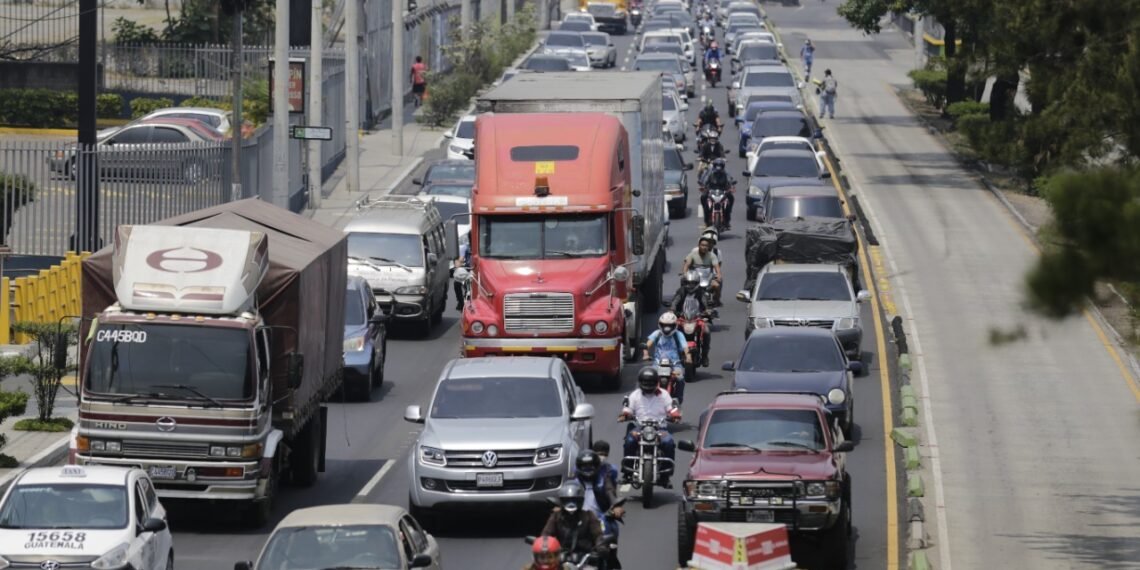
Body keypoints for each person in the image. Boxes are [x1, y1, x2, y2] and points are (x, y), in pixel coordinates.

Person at [620, 367, 682, 486]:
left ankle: (665, 475)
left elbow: (672, 408)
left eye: (651, 382)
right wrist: (625, 415)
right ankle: (627, 472)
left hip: (659, 428)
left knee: (668, 442)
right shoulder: (635, 395)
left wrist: (675, 415)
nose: (648, 385)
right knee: (629, 441)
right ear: (640, 382)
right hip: (639, 427)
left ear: (656, 382)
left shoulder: (664, 395)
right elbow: (628, 409)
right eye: (645, 382)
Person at [574, 450, 624, 569]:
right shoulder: (574, 483)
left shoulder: (604, 480)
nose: (587, 469)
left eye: (590, 466)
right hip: (578, 519)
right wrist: (559, 506)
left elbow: (610, 491)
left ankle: (610, 562)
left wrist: (616, 506)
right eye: (584, 466)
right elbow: (565, 496)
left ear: (596, 466)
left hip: (601, 518)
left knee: (610, 539)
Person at [540, 481, 609, 564]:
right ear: (562, 501)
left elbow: (598, 535)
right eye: (567, 500)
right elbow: (546, 535)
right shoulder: (556, 517)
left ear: (580, 501)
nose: (571, 504)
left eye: (574, 500)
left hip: (585, 558)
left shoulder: (589, 516)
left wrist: (601, 547)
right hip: (561, 557)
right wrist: (543, 545)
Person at [641, 312, 690, 402]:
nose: (667, 328)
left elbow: (685, 347)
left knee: (680, 379)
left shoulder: (678, 335)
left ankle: (678, 399)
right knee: (647, 377)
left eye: (670, 325)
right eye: (664, 325)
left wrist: (688, 357)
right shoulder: (657, 333)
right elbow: (647, 345)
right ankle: (645, 399)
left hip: (675, 364)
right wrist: (646, 354)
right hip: (658, 363)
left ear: (674, 325)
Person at [669, 270, 711, 367]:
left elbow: (705, 302)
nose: (690, 286)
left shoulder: (700, 292)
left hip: (697, 318)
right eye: (688, 283)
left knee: (706, 331)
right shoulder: (681, 291)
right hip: (682, 318)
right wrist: (672, 310)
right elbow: (675, 301)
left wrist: (707, 310)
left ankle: (705, 356)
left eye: (693, 283)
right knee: (671, 331)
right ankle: (671, 354)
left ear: (697, 283)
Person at [681, 237, 723, 306]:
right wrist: (684, 273)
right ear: (699, 245)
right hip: (694, 280)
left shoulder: (712, 256)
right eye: (702, 245)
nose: (704, 247)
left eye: (706, 246)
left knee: (717, 285)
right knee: (683, 285)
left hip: (707, 279)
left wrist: (718, 275)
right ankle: (682, 301)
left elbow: (717, 267)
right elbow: (686, 265)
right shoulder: (692, 254)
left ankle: (716, 300)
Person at [698, 158, 735, 228]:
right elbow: (704, 180)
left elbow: (730, 180)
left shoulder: (726, 173)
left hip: (723, 191)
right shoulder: (710, 172)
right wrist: (703, 186)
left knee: (731, 197)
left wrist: (731, 187)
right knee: (703, 197)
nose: (718, 167)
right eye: (717, 165)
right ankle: (706, 218)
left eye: (720, 165)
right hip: (711, 190)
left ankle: (727, 218)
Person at [452, 239, 471, 310]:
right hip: (468, 271)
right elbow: (460, 260)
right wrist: (457, 265)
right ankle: (460, 302)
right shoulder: (465, 247)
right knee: (457, 283)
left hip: (476, 271)